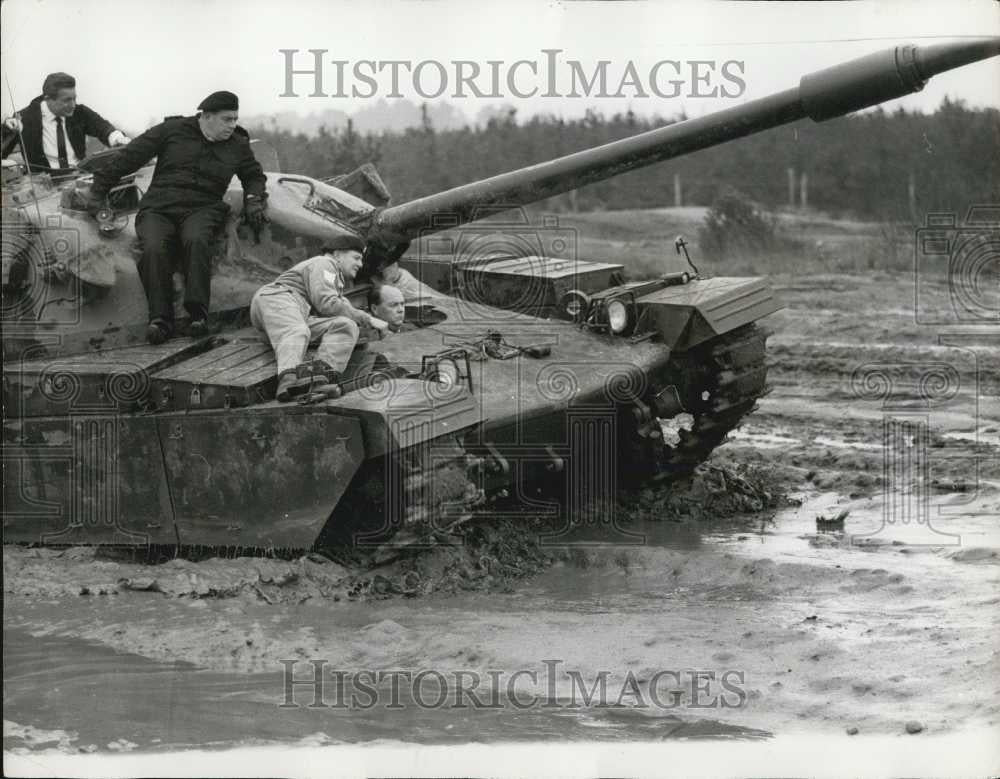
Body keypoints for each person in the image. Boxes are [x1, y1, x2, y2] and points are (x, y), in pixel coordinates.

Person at [88, 90, 268, 344]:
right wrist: (98, 190)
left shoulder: (237, 144)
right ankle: (160, 320)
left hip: (203, 207)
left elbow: (253, 175)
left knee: (196, 241)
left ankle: (198, 315)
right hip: (159, 207)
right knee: (153, 248)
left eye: (235, 119)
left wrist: (254, 200)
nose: (232, 125)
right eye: (227, 119)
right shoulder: (172, 130)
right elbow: (130, 158)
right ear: (206, 116)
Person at [250, 236, 390, 402]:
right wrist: (370, 319)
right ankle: (288, 382)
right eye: (356, 258)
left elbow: (342, 308)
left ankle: (318, 378)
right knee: (297, 331)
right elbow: (328, 304)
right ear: (337, 255)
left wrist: (368, 325)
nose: (360, 264)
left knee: (345, 325)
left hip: (298, 312)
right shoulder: (325, 264)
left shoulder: (334, 279)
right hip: (277, 299)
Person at [1, 72, 130, 173]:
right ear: (48, 99)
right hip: (44, 187)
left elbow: (104, 128)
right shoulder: (23, 118)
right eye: (67, 100)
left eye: (74, 98)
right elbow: (3, 152)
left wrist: (118, 139)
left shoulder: (80, 112)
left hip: (80, 176)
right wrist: (6, 130)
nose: (73, 105)